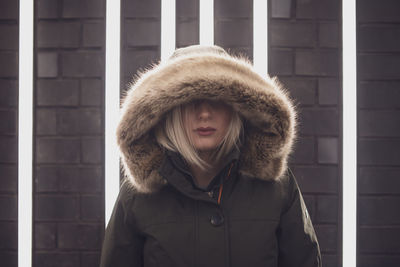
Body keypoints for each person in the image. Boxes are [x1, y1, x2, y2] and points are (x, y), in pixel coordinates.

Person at [100, 45, 321, 267]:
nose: (204, 113)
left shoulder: (277, 189)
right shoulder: (137, 196)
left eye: (216, 99)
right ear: (170, 110)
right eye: (189, 100)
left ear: (236, 108)